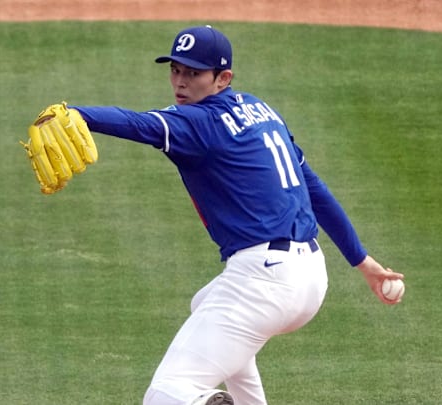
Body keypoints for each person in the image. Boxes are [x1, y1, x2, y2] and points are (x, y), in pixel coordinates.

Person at [69, 25, 405, 405]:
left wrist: (75, 114)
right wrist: (362, 261)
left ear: (222, 78)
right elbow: (312, 186)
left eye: (193, 73)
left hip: (263, 282)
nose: (180, 82)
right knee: (205, 303)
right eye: (175, 70)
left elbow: (139, 124)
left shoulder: (199, 123)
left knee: (164, 396)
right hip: (310, 278)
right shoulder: (261, 110)